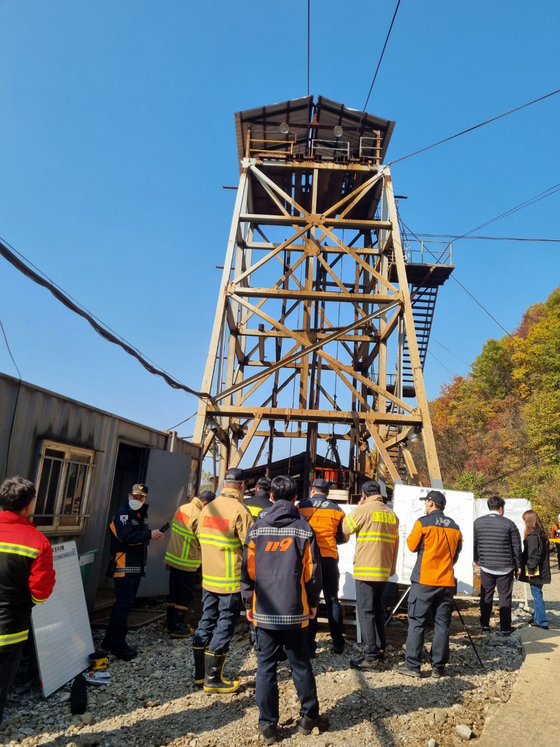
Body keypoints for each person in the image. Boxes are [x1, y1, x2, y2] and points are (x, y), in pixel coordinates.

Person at [241, 475, 328, 744]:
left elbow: (247, 571)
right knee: (299, 663)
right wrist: (313, 603)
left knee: (265, 667)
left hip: (264, 610)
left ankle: (268, 725)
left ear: (271, 496)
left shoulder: (257, 529)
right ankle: (308, 717)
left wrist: (248, 603)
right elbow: (313, 572)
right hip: (295, 610)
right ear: (294, 498)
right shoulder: (303, 528)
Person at [192, 467, 254, 693]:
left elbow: (198, 537)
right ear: (242, 486)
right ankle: (213, 679)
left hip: (208, 579)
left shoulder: (208, 508)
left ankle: (199, 676)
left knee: (206, 620)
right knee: (224, 624)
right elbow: (251, 545)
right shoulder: (240, 510)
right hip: (229, 581)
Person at [0, 477, 55, 723]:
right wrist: (29, 602)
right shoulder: (36, 541)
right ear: (29, 505)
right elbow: (41, 591)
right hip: (9, 630)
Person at [396, 490, 462, 679]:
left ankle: (413, 666)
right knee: (442, 624)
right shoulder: (455, 527)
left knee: (417, 623)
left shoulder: (422, 523)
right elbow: (456, 555)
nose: (425, 505)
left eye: (426, 502)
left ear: (431, 503)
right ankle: (438, 667)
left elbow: (411, 545)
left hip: (424, 581)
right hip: (447, 582)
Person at [102, 483, 164, 660]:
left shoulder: (139, 513)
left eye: (141, 498)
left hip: (134, 566)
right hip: (124, 566)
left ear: (145, 499)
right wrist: (149, 535)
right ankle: (117, 644)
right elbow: (126, 537)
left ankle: (110, 640)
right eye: (134, 497)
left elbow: (139, 536)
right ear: (129, 496)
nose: (137, 500)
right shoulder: (123, 513)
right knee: (123, 605)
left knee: (124, 605)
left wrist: (150, 535)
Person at [342, 480, 399, 670]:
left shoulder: (364, 510)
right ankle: (379, 646)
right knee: (377, 610)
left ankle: (371, 656)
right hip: (383, 570)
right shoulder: (392, 514)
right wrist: (391, 569)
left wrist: (358, 507)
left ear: (364, 495)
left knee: (366, 613)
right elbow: (395, 544)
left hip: (366, 569)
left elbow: (345, 528)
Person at [298, 477, 347, 655]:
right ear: (327, 492)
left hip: (308, 559)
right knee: (332, 599)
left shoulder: (302, 506)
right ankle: (338, 644)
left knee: (310, 599)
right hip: (329, 558)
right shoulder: (337, 510)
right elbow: (344, 537)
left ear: (313, 490)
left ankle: (309, 645)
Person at [164, 490, 216, 638]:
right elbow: (203, 539)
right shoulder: (199, 516)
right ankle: (178, 627)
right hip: (186, 561)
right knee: (184, 595)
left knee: (173, 593)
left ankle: (171, 623)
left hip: (173, 558)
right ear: (206, 503)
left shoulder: (183, 508)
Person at [473, 495, 522, 634]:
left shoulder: (478, 522)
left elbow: (474, 543)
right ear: (501, 509)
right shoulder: (509, 523)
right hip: (506, 566)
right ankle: (505, 627)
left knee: (486, 595)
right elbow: (516, 546)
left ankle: (485, 624)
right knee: (505, 596)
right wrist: (519, 565)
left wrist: (476, 559)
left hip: (486, 565)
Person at [519, 509, 551, 630]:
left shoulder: (532, 534)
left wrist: (531, 570)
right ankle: (537, 618)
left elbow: (534, 554)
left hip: (535, 570)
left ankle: (542, 621)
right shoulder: (541, 532)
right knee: (537, 593)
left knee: (537, 595)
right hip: (542, 569)